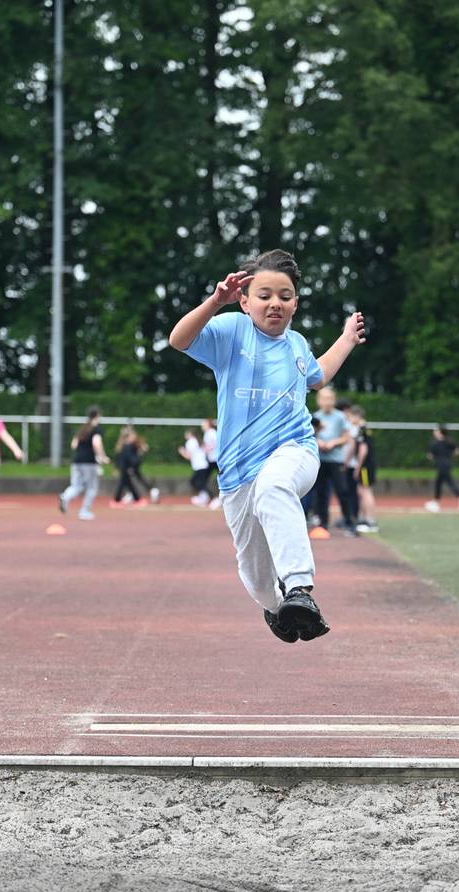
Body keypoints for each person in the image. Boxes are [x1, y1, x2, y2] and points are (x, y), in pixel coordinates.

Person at [168, 248, 366, 642]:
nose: (275, 303)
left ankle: (299, 589)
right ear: (244, 301)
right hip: (237, 472)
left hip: (294, 450)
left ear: (295, 304)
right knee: (256, 578)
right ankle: (281, 609)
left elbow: (317, 376)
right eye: (264, 295)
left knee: (274, 486)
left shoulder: (297, 344)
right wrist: (213, 302)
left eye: (285, 296)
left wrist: (345, 339)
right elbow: (179, 339)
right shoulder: (230, 330)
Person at [312, 386, 357, 537]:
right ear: (319, 401)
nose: (327, 402)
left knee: (342, 490)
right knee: (321, 492)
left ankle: (349, 522)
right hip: (320, 459)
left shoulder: (339, 417)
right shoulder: (315, 417)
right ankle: (322, 523)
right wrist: (319, 441)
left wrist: (334, 443)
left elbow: (347, 437)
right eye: (324, 398)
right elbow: (310, 436)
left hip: (336, 460)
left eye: (330, 398)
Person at [59, 407, 109, 521]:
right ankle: (85, 511)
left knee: (76, 485)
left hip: (77, 461)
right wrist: (102, 457)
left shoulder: (82, 429)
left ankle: (65, 497)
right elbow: (97, 443)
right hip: (89, 462)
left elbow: (74, 445)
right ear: (97, 416)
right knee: (92, 487)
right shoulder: (96, 430)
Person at [425, 425, 459, 512]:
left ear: (440, 432)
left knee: (449, 482)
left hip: (442, 465)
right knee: (439, 483)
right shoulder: (449, 441)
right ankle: (436, 502)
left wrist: (436, 457)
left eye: (436, 431)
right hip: (447, 464)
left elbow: (430, 456)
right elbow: (458, 450)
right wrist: (450, 457)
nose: (434, 432)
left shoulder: (435, 443)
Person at [111, 426, 158, 507]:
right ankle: (119, 500)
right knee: (125, 483)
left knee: (127, 483)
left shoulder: (129, 445)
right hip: (127, 467)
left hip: (128, 467)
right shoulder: (126, 446)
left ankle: (131, 499)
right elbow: (129, 458)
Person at [349, 405, 378, 533]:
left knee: (366, 491)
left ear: (356, 416)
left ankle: (371, 521)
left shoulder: (362, 429)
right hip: (367, 465)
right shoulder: (365, 429)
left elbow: (363, 450)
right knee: (362, 491)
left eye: (350, 417)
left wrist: (358, 467)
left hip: (365, 466)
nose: (349, 420)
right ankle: (365, 518)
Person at [179, 428, 210, 506]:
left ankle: (210, 496)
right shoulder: (197, 440)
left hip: (199, 465)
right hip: (203, 464)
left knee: (195, 482)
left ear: (190, 434)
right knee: (200, 482)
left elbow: (188, 456)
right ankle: (204, 497)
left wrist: (182, 452)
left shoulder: (190, 442)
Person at [202, 418, 222, 509]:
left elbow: (216, 443)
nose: (202, 426)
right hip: (211, 459)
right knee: (204, 478)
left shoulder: (211, 432)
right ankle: (209, 496)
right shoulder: (208, 433)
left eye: (204, 424)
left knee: (220, 478)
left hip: (216, 459)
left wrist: (207, 448)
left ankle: (218, 498)